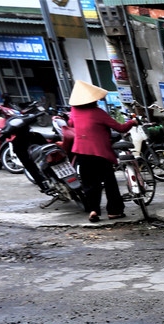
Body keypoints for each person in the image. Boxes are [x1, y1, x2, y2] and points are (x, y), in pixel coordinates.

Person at [66, 80, 135, 222]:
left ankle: (93, 210)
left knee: (90, 183)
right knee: (109, 182)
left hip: (81, 152)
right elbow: (121, 128)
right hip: (99, 153)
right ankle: (114, 211)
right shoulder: (98, 113)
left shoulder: (74, 111)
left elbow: (71, 124)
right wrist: (132, 122)